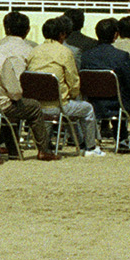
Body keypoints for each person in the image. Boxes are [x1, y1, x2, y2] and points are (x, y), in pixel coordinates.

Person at [0, 15, 54, 159]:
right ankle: (44, 150)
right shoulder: (1, 58)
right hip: (0, 105)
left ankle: (12, 148)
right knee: (33, 106)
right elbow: (15, 92)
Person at [26, 15, 102, 155]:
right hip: (58, 105)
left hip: (37, 106)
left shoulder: (34, 51)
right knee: (87, 109)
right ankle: (90, 147)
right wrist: (72, 95)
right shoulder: (65, 52)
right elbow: (73, 81)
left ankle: (59, 143)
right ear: (62, 34)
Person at [79, 18, 130, 152]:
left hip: (93, 103)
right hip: (117, 103)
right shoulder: (121, 56)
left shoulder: (86, 56)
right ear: (115, 35)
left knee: (120, 95)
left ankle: (122, 137)